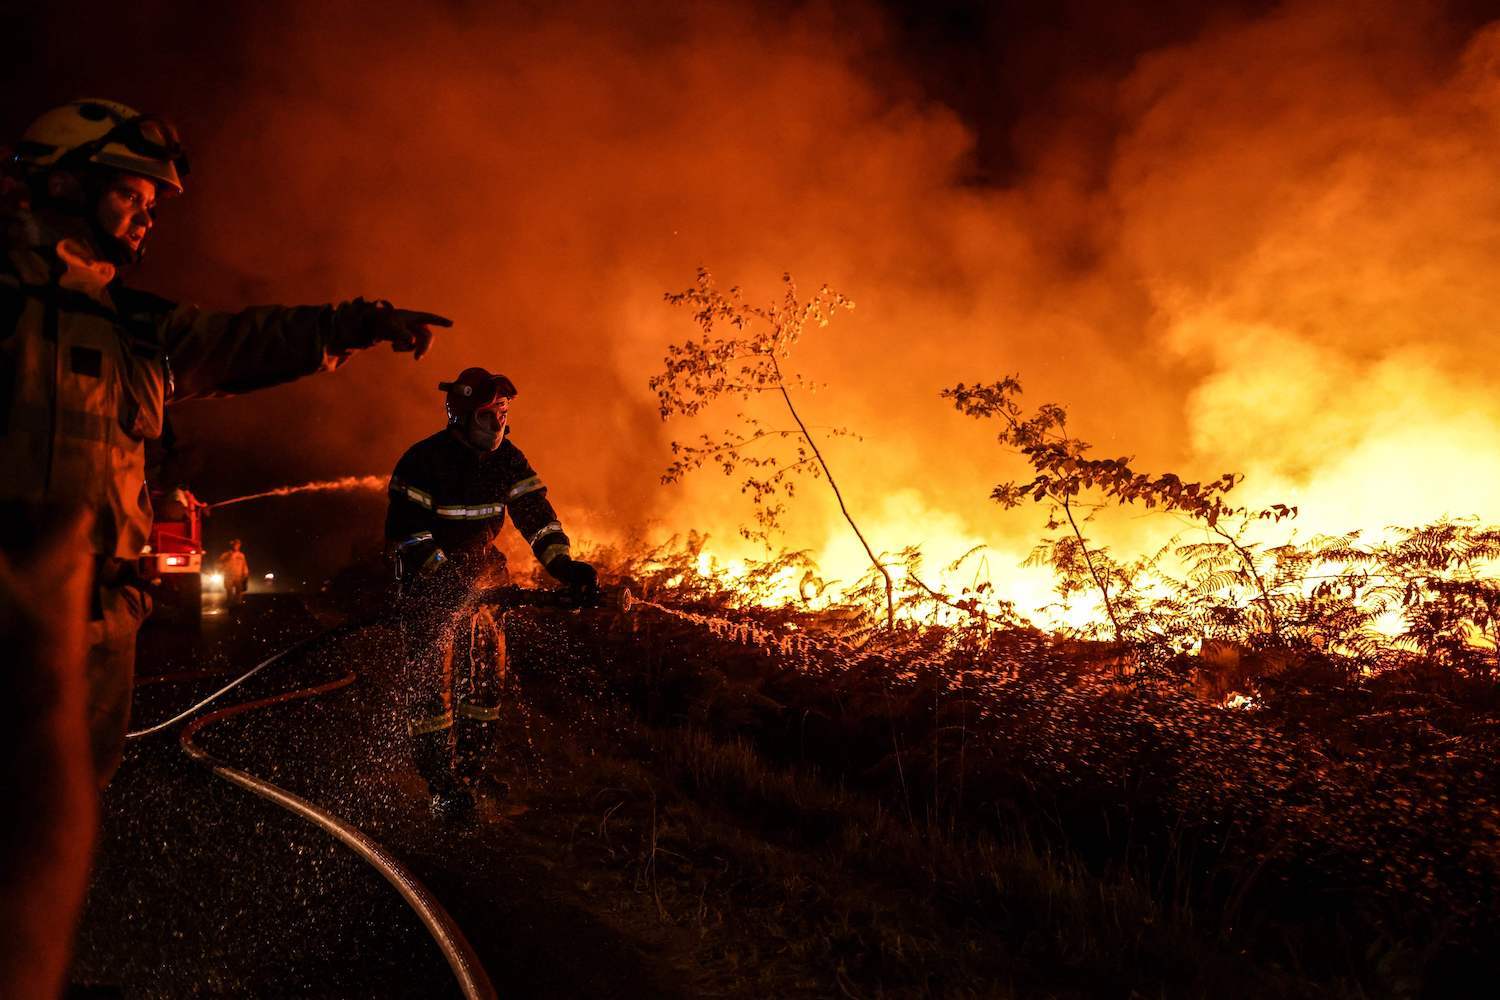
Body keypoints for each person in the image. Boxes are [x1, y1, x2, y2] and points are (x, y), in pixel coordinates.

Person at [0, 98, 452, 788]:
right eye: (129, 193)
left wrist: (359, 324)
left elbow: (244, 342)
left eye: (152, 202)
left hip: (97, 630)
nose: (147, 217)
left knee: (62, 823)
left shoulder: (136, 328)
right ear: (63, 183)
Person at [385, 367, 597, 819]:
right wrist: (445, 582)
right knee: (431, 689)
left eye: (504, 413)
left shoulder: (509, 460)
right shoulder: (422, 461)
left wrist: (562, 564)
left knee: (485, 681)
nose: (500, 424)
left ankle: (472, 772)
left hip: (483, 574)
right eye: (489, 415)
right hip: (428, 579)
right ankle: (441, 783)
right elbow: (407, 533)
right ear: (461, 416)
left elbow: (536, 514)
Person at [217, 538, 250, 605]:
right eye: (235, 544)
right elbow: (219, 563)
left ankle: (238, 604)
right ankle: (229, 605)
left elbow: (244, 565)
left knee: (239, 591)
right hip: (229, 576)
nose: (236, 546)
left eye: (238, 545)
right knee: (229, 591)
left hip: (238, 576)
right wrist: (220, 570)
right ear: (232, 545)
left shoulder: (241, 555)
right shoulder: (225, 555)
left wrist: (246, 573)